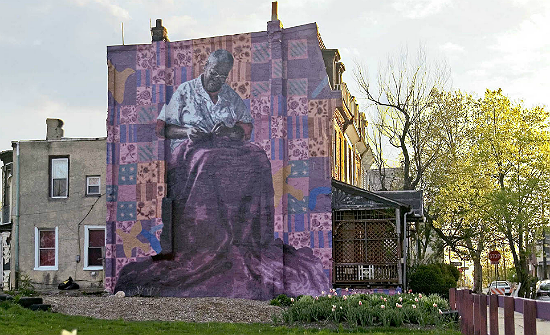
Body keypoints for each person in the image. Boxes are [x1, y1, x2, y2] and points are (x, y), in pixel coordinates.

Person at [114, 50, 329, 299]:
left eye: (223, 75)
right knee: (208, 160)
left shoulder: (230, 96)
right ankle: (206, 236)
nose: (218, 78)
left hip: (222, 146)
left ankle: (250, 235)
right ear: (206, 66)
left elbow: (245, 128)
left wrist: (229, 130)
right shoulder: (185, 92)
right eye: (214, 72)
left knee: (258, 158)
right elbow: (162, 128)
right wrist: (186, 132)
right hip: (189, 151)